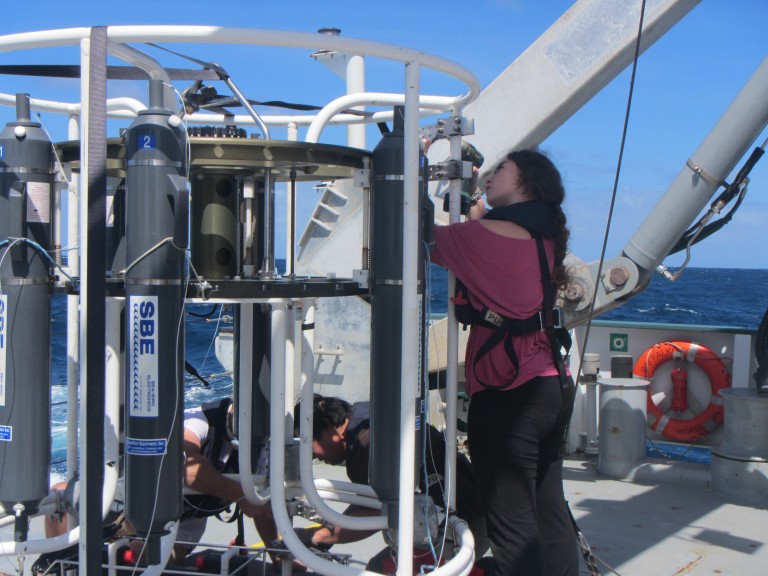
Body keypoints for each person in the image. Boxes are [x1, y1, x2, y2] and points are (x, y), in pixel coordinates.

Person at [429, 148, 579, 575]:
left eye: (501, 171)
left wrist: (410, 169)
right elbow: (491, 235)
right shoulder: (541, 233)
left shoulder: (483, 239)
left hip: (510, 396)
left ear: (526, 182)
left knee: (512, 524)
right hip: (552, 385)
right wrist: (476, 197)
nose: (491, 175)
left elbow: (417, 234)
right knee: (549, 509)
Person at [43, 397, 276, 565]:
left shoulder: (262, 444)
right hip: (137, 503)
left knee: (144, 558)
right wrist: (240, 494)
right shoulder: (199, 420)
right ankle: (59, 566)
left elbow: (262, 509)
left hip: (181, 525)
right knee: (61, 499)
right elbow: (188, 468)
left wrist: (277, 557)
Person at [297, 395, 484, 553]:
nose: (312, 456)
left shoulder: (369, 441)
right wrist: (326, 535)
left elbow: (375, 512)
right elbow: (365, 501)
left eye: (309, 444)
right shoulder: (365, 424)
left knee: (379, 569)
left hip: (459, 529)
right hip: (459, 519)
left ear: (330, 429)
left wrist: (316, 536)